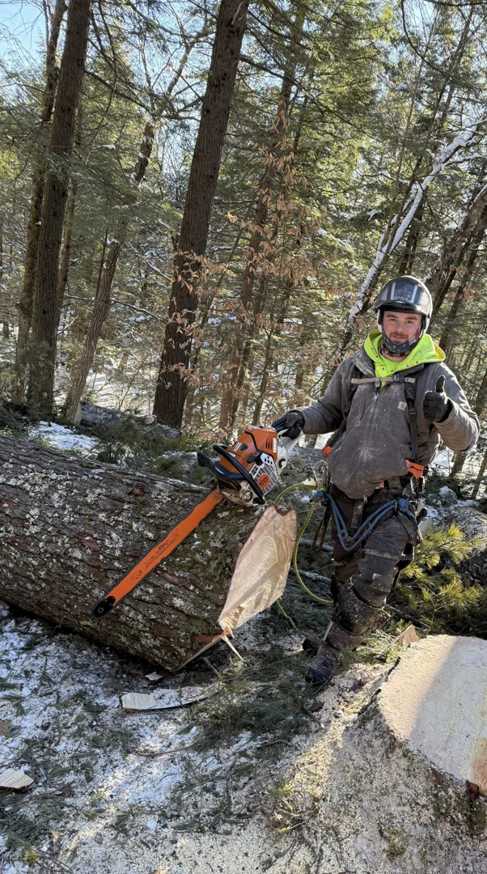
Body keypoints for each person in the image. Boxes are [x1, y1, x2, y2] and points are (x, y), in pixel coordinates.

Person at [273, 275, 479, 684]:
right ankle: (339, 632)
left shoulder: (434, 374)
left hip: (394, 498)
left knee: (373, 582)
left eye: (409, 321)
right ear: (380, 321)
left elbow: (467, 437)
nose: (400, 328)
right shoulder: (356, 364)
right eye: (393, 319)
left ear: (422, 326)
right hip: (344, 489)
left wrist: (447, 413)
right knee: (344, 574)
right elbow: (330, 411)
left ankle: (333, 652)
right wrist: (301, 418)